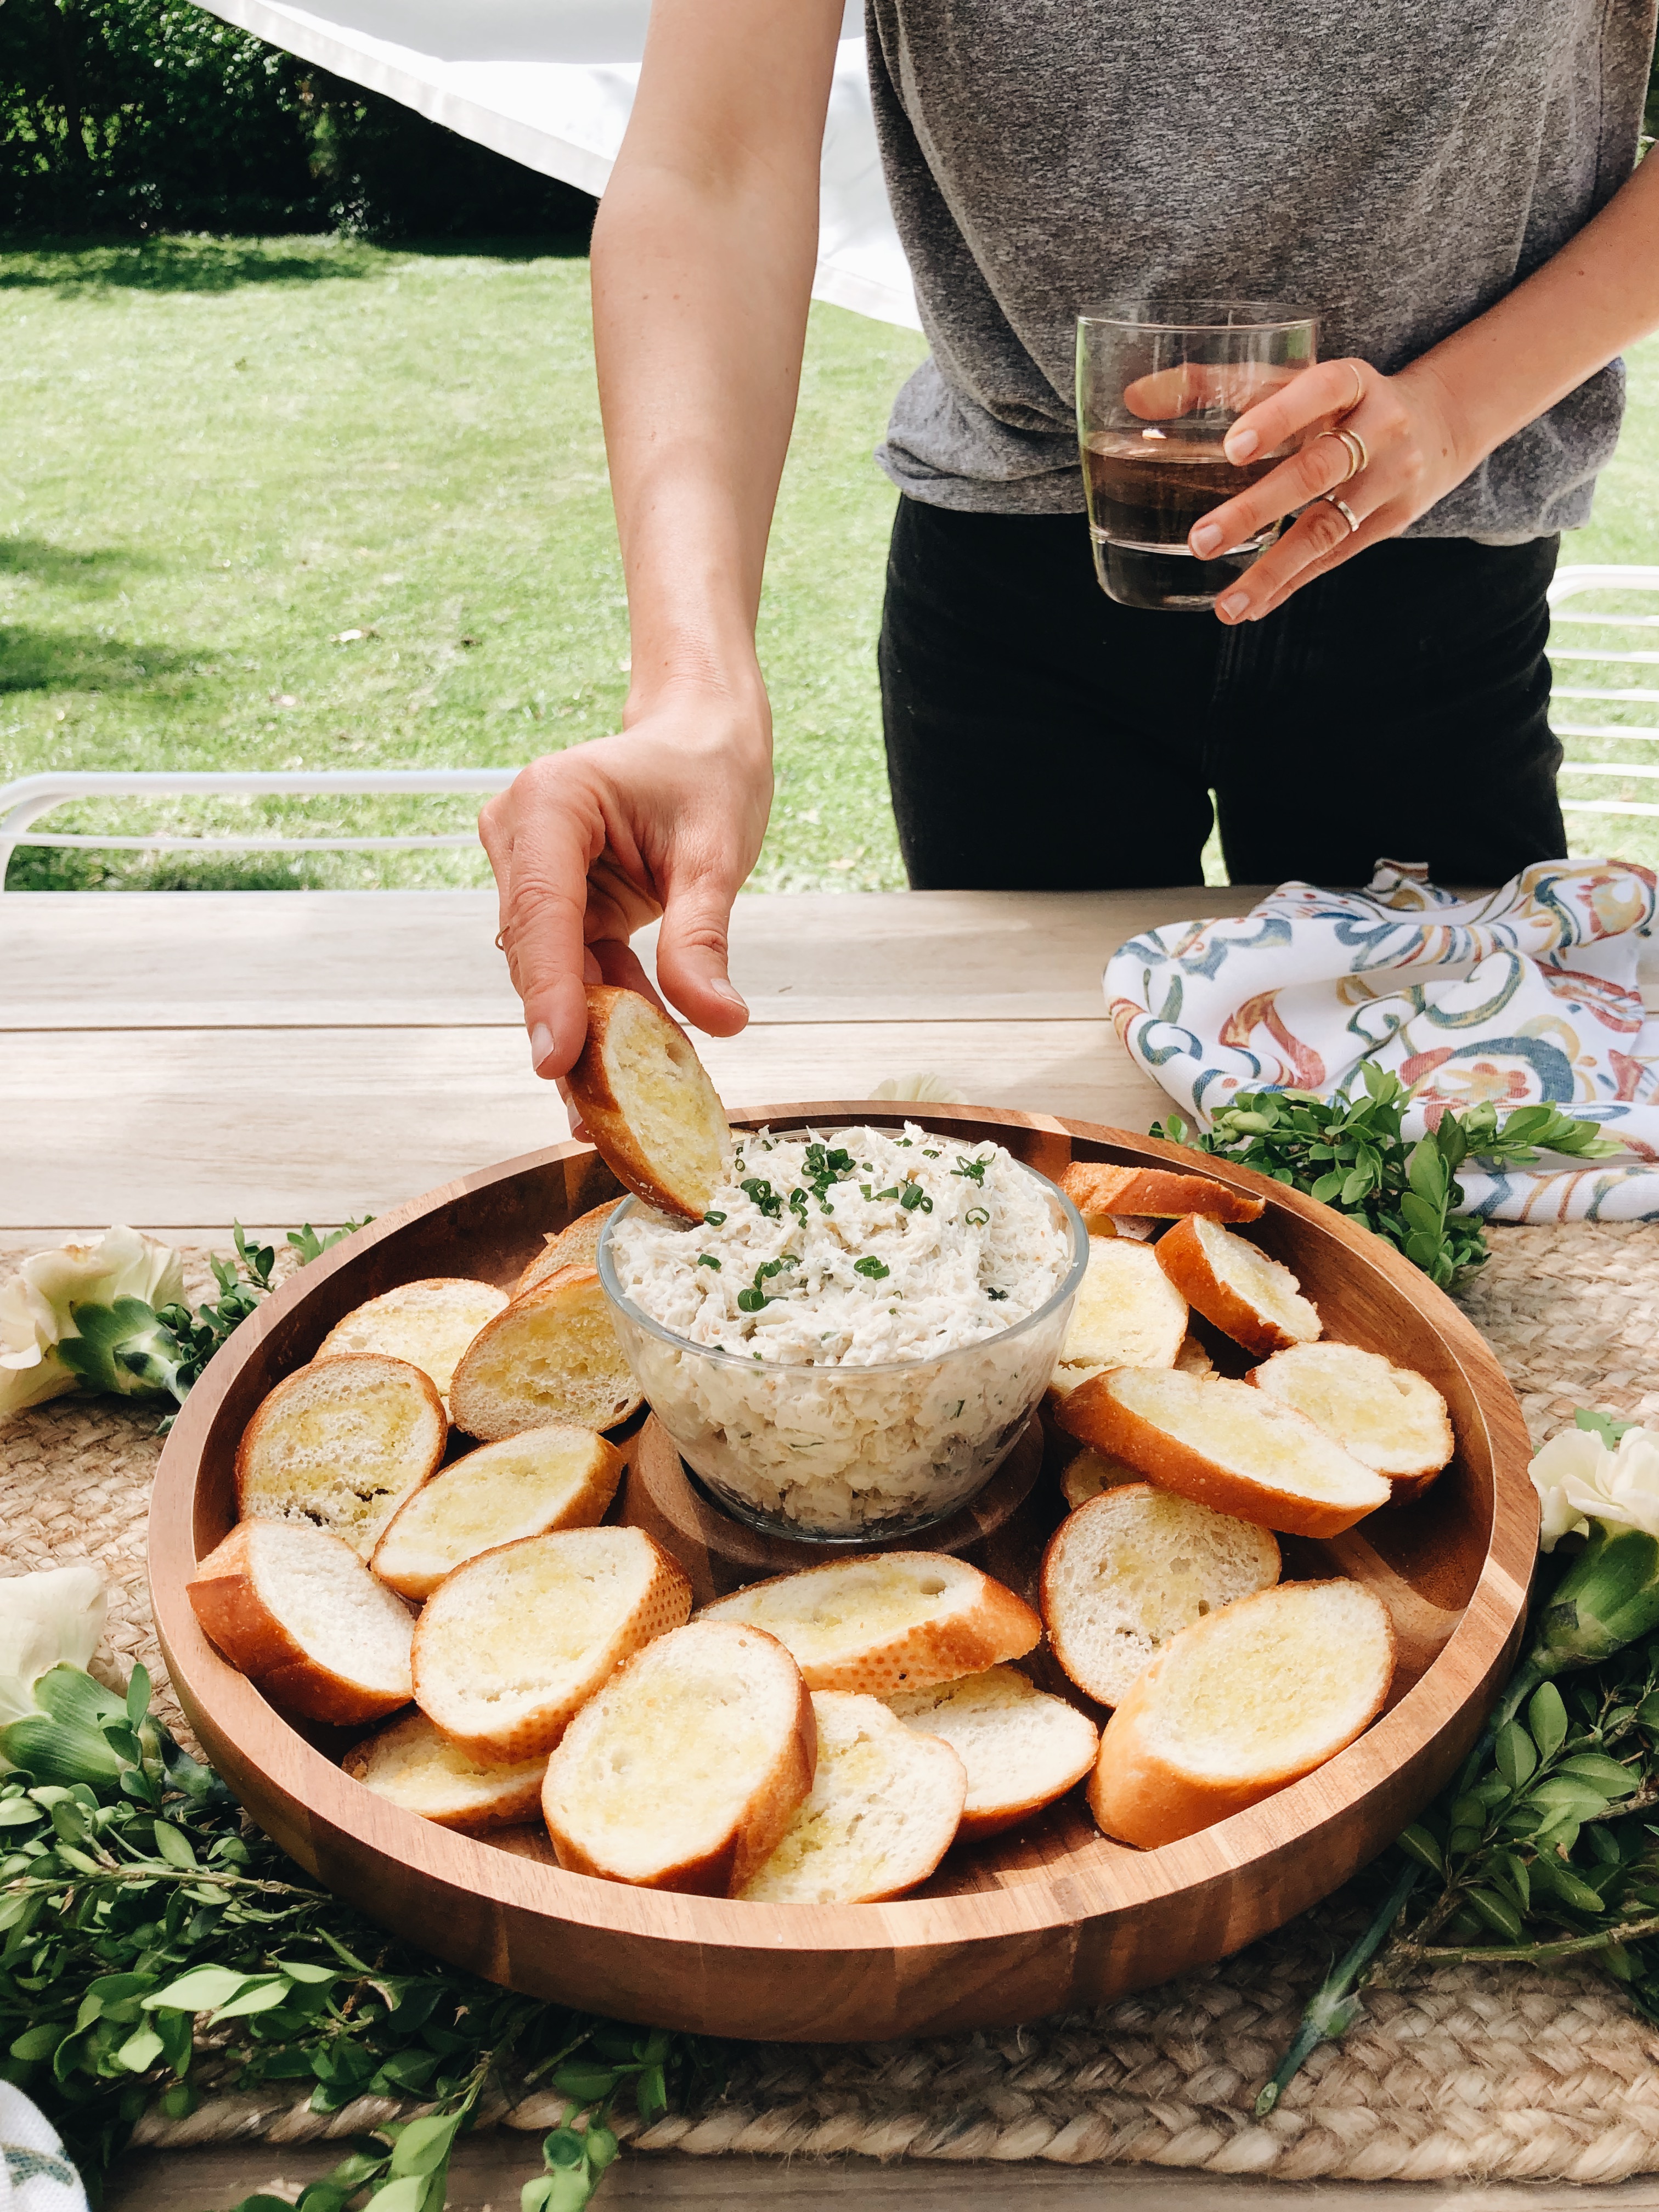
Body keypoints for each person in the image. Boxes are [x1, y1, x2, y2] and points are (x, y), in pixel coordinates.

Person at [481, 0, 1659, 1084]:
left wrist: (1456, 407)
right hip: (1014, 597)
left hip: (1434, 586)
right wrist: (692, 696)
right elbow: (713, 169)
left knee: (1458, 1147)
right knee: (1044, 1159)